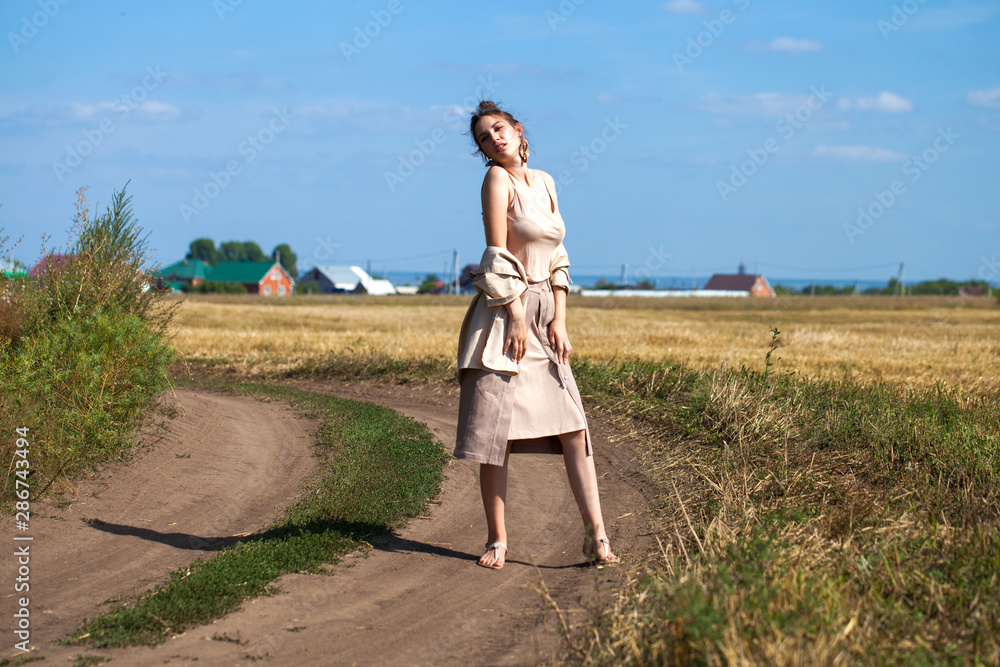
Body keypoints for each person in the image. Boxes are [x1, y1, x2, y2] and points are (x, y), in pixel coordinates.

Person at [455, 101, 619, 569]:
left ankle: (596, 537)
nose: (495, 139)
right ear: (483, 151)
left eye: (499, 129)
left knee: (574, 428)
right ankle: (497, 540)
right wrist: (517, 316)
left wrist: (559, 318)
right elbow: (496, 257)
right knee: (497, 433)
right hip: (505, 313)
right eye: (485, 138)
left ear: (517, 128)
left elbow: (559, 253)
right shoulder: (496, 180)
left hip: (546, 310)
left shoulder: (545, 181)